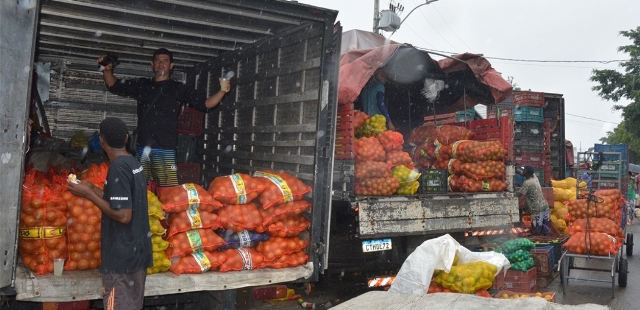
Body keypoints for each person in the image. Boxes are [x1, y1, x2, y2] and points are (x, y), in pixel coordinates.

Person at [97, 48, 232, 195]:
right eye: (157, 61)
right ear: (152, 64)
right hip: (142, 149)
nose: (161, 64)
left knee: (168, 194)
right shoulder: (143, 85)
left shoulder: (178, 89)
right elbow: (114, 86)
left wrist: (222, 91)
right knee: (139, 192)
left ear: (171, 66)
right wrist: (107, 70)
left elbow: (206, 104)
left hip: (166, 149)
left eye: (165, 61)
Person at [67, 117, 152, 310]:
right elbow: (122, 200)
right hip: (136, 254)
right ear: (126, 138)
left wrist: (88, 193)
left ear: (101, 141)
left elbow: (123, 215)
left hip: (122, 260)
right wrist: (92, 189)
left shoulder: (118, 168)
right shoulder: (132, 163)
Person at [516, 165, 551, 236]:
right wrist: (515, 170)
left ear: (525, 171)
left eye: (524, 170)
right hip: (545, 207)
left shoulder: (527, 183)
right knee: (545, 231)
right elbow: (523, 173)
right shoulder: (535, 177)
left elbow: (518, 194)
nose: (523, 171)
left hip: (536, 210)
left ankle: (538, 245)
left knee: (536, 231)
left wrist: (509, 193)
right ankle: (546, 244)